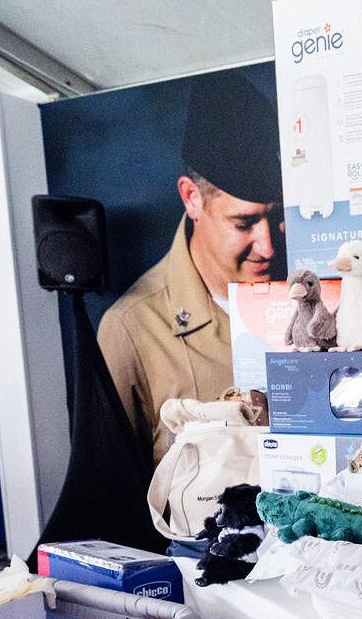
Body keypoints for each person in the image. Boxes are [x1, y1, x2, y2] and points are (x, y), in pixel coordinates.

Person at [97, 71, 284, 461]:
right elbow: (112, 483)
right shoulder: (133, 329)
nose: (267, 247)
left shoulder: (307, 295)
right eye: (244, 223)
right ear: (192, 198)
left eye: (276, 217)